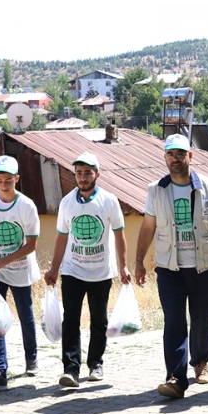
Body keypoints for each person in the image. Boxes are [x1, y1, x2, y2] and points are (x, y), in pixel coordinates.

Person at [135, 133, 208, 399]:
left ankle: (201, 362)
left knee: (202, 319)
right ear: (165, 157)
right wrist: (138, 263)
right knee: (174, 322)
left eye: (180, 154)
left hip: (203, 267)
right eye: (171, 154)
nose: (175, 158)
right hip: (169, 268)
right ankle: (175, 377)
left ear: (190, 156)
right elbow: (148, 228)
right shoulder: (155, 190)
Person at [44, 152, 131, 388]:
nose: (82, 178)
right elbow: (62, 237)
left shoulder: (109, 201)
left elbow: (119, 235)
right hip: (73, 270)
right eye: (79, 173)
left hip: (101, 271)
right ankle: (71, 369)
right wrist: (54, 268)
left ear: (97, 174)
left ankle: (96, 364)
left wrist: (123, 266)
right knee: (70, 319)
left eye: (87, 173)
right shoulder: (67, 202)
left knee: (99, 320)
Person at [0, 155, 41, 392]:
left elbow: (31, 245)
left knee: (25, 314)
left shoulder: (26, 206)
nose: (4, 184)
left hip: (20, 269)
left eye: (9, 180)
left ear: (17, 179)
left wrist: (6, 260)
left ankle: (31, 356)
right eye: (0, 179)